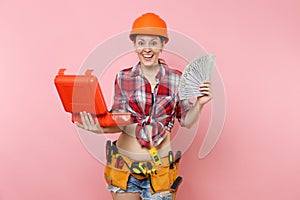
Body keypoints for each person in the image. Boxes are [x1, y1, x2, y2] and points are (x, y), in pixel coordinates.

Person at [75, 13, 212, 200]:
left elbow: (187, 120)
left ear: (163, 45)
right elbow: (120, 120)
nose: (147, 49)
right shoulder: (123, 78)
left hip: (160, 173)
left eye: (154, 43)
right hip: (124, 168)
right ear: (134, 45)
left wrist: (200, 103)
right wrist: (98, 128)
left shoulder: (176, 79)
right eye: (141, 43)